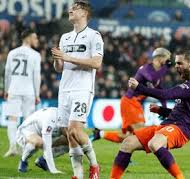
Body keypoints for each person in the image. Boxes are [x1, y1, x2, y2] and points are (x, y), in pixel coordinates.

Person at [110, 50, 190, 179]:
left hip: (181, 130)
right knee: (128, 143)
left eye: (179, 63)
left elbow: (166, 94)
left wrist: (139, 87)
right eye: (175, 63)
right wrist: (161, 110)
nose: (176, 66)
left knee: (155, 144)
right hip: (170, 124)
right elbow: (183, 113)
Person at [51, 0, 104, 178]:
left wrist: (67, 57)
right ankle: (78, 174)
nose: (70, 10)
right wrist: (58, 59)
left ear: (84, 13)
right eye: (71, 8)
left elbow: (96, 63)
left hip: (82, 89)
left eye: (75, 8)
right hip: (64, 90)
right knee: (68, 134)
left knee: (75, 129)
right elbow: (59, 68)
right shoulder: (65, 37)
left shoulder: (94, 36)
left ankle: (95, 165)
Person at [90, 47, 172, 143]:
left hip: (134, 103)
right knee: (140, 131)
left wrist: (164, 109)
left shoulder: (158, 75)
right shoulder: (145, 69)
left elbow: (161, 93)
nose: (168, 61)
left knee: (126, 136)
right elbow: (151, 78)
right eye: (167, 58)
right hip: (130, 101)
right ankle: (124, 156)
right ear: (159, 58)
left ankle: (100, 134)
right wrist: (165, 68)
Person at [4, 28, 41, 157]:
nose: (37, 40)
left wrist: (6, 90)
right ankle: (25, 147)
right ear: (28, 38)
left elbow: (7, 73)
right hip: (29, 91)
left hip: (13, 89)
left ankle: (12, 147)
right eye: (35, 37)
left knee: (12, 118)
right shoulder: (35, 55)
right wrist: (37, 94)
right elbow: (36, 76)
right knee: (28, 121)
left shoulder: (12, 53)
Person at [17, 107, 68, 173]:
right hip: (27, 130)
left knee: (69, 142)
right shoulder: (51, 119)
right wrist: (53, 170)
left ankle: (42, 160)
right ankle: (23, 161)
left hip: (43, 132)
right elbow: (47, 146)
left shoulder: (67, 120)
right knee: (39, 142)